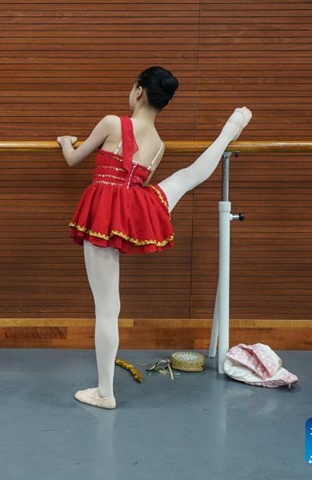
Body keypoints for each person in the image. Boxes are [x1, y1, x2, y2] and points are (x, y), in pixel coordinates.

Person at [56, 67, 251, 409]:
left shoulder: (112, 122)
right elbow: (138, 177)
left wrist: (63, 142)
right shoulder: (159, 145)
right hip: (135, 204)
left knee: (107, 308)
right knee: (185, 178)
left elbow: (73, 159)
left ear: (138, 92)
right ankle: (227, 134)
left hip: (104, 209)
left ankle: (105, 393)